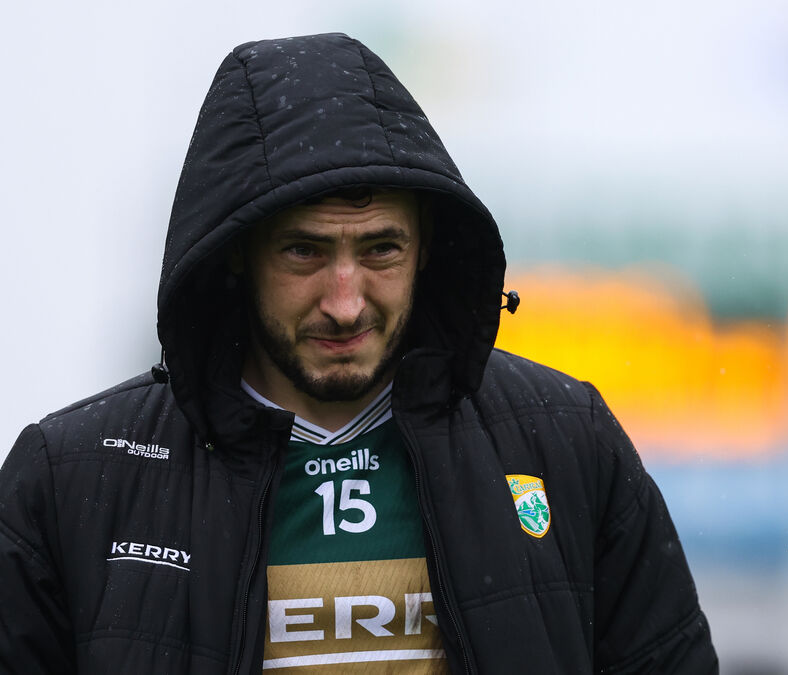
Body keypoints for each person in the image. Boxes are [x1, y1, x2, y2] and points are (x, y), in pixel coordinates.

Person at [0, 33, 717, 674]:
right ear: (236, 254)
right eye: (304, 251)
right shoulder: (70, 479)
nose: (345, 301)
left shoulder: (567, 441)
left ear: (427, 247)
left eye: (380, 249)